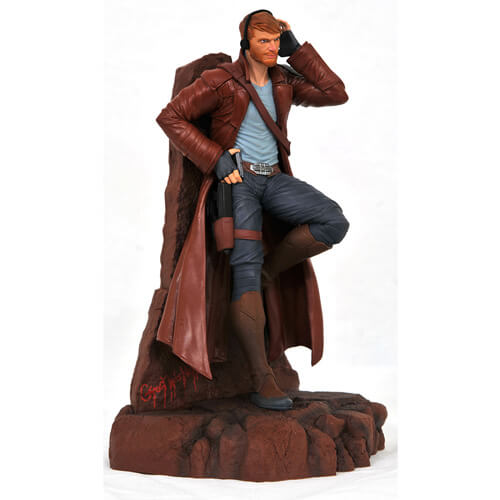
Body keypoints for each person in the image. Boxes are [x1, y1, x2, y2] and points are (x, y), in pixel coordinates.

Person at [156, 10, 349, 410]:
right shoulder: (221, 80)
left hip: (273, 179)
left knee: (332, 221)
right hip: (238, 183)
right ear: (245, 43)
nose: (272, 47)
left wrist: (298, 51)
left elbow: (335, 93)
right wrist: (215, 158)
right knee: (243, 271)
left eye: (276, 40)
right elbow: (171, 116)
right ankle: (262, 378)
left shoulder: (283, 80)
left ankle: (268, 272)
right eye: (265, 41)